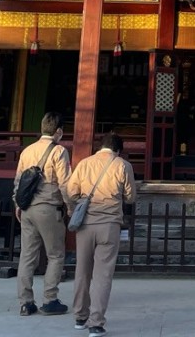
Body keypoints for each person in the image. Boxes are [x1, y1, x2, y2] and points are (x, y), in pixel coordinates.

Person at [67, 132, 136, 337]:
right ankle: (96, 323)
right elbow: (131, 197)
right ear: (118, 149)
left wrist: (76, 206)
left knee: (82, 271)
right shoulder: (122, 165)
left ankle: (80, 316)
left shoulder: (85, 163)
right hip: (109, 224)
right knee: (103, 275)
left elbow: (70, 191)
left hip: (85, 224)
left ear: (100, 146)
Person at [13, 111, 73, 316]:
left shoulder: (27, 151)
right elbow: (65, 183)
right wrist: (71, 206)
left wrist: (17, 204)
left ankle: (25, 302)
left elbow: (19, 181)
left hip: (28, 208)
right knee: (55, 255)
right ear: (58, 131)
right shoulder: (59, 151)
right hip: (48, 208)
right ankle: (50, 299)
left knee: (27, 256)